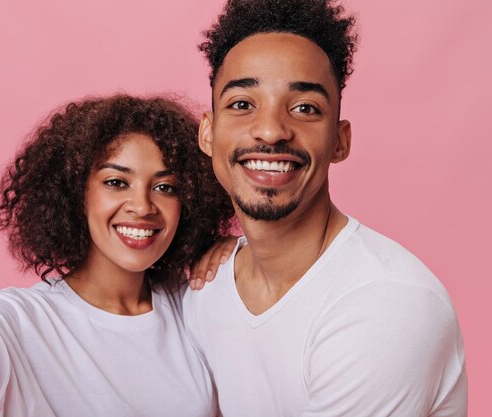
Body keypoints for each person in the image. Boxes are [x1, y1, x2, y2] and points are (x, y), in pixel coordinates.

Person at [183, 0, 468, 416]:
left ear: (339, 140)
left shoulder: (386, 304)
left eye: (305, 108)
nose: (271, 130)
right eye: (243, 103)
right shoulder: (204, 289)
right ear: (208, 133)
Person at [0, 94, 235, 416]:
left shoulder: (191, 304)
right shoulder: (20, 320)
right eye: (116, 182)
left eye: (165, 187)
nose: (142, 206)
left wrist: (241, 255)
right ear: (76, 192)